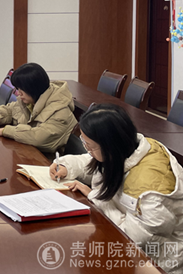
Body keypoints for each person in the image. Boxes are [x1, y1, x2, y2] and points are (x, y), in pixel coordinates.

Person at [50, 104, 183, 273]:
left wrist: (95, 197)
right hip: (124, 245)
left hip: (157, 261)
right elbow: (94, 162)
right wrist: (66, 166)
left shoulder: (150, 189)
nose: (87, 149)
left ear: (109, 145)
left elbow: (133, 238)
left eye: (90, 145)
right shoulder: (127, 149)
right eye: (84, 143)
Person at [0, 63, 77, 155]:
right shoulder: (31, 101)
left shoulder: (60, 111)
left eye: (21, 89)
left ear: (33, 88)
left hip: (48, 161)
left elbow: (39, 138)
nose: (19, 93)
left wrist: (6, 131)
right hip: (28, 153)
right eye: (18, 89)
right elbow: (10, 109)